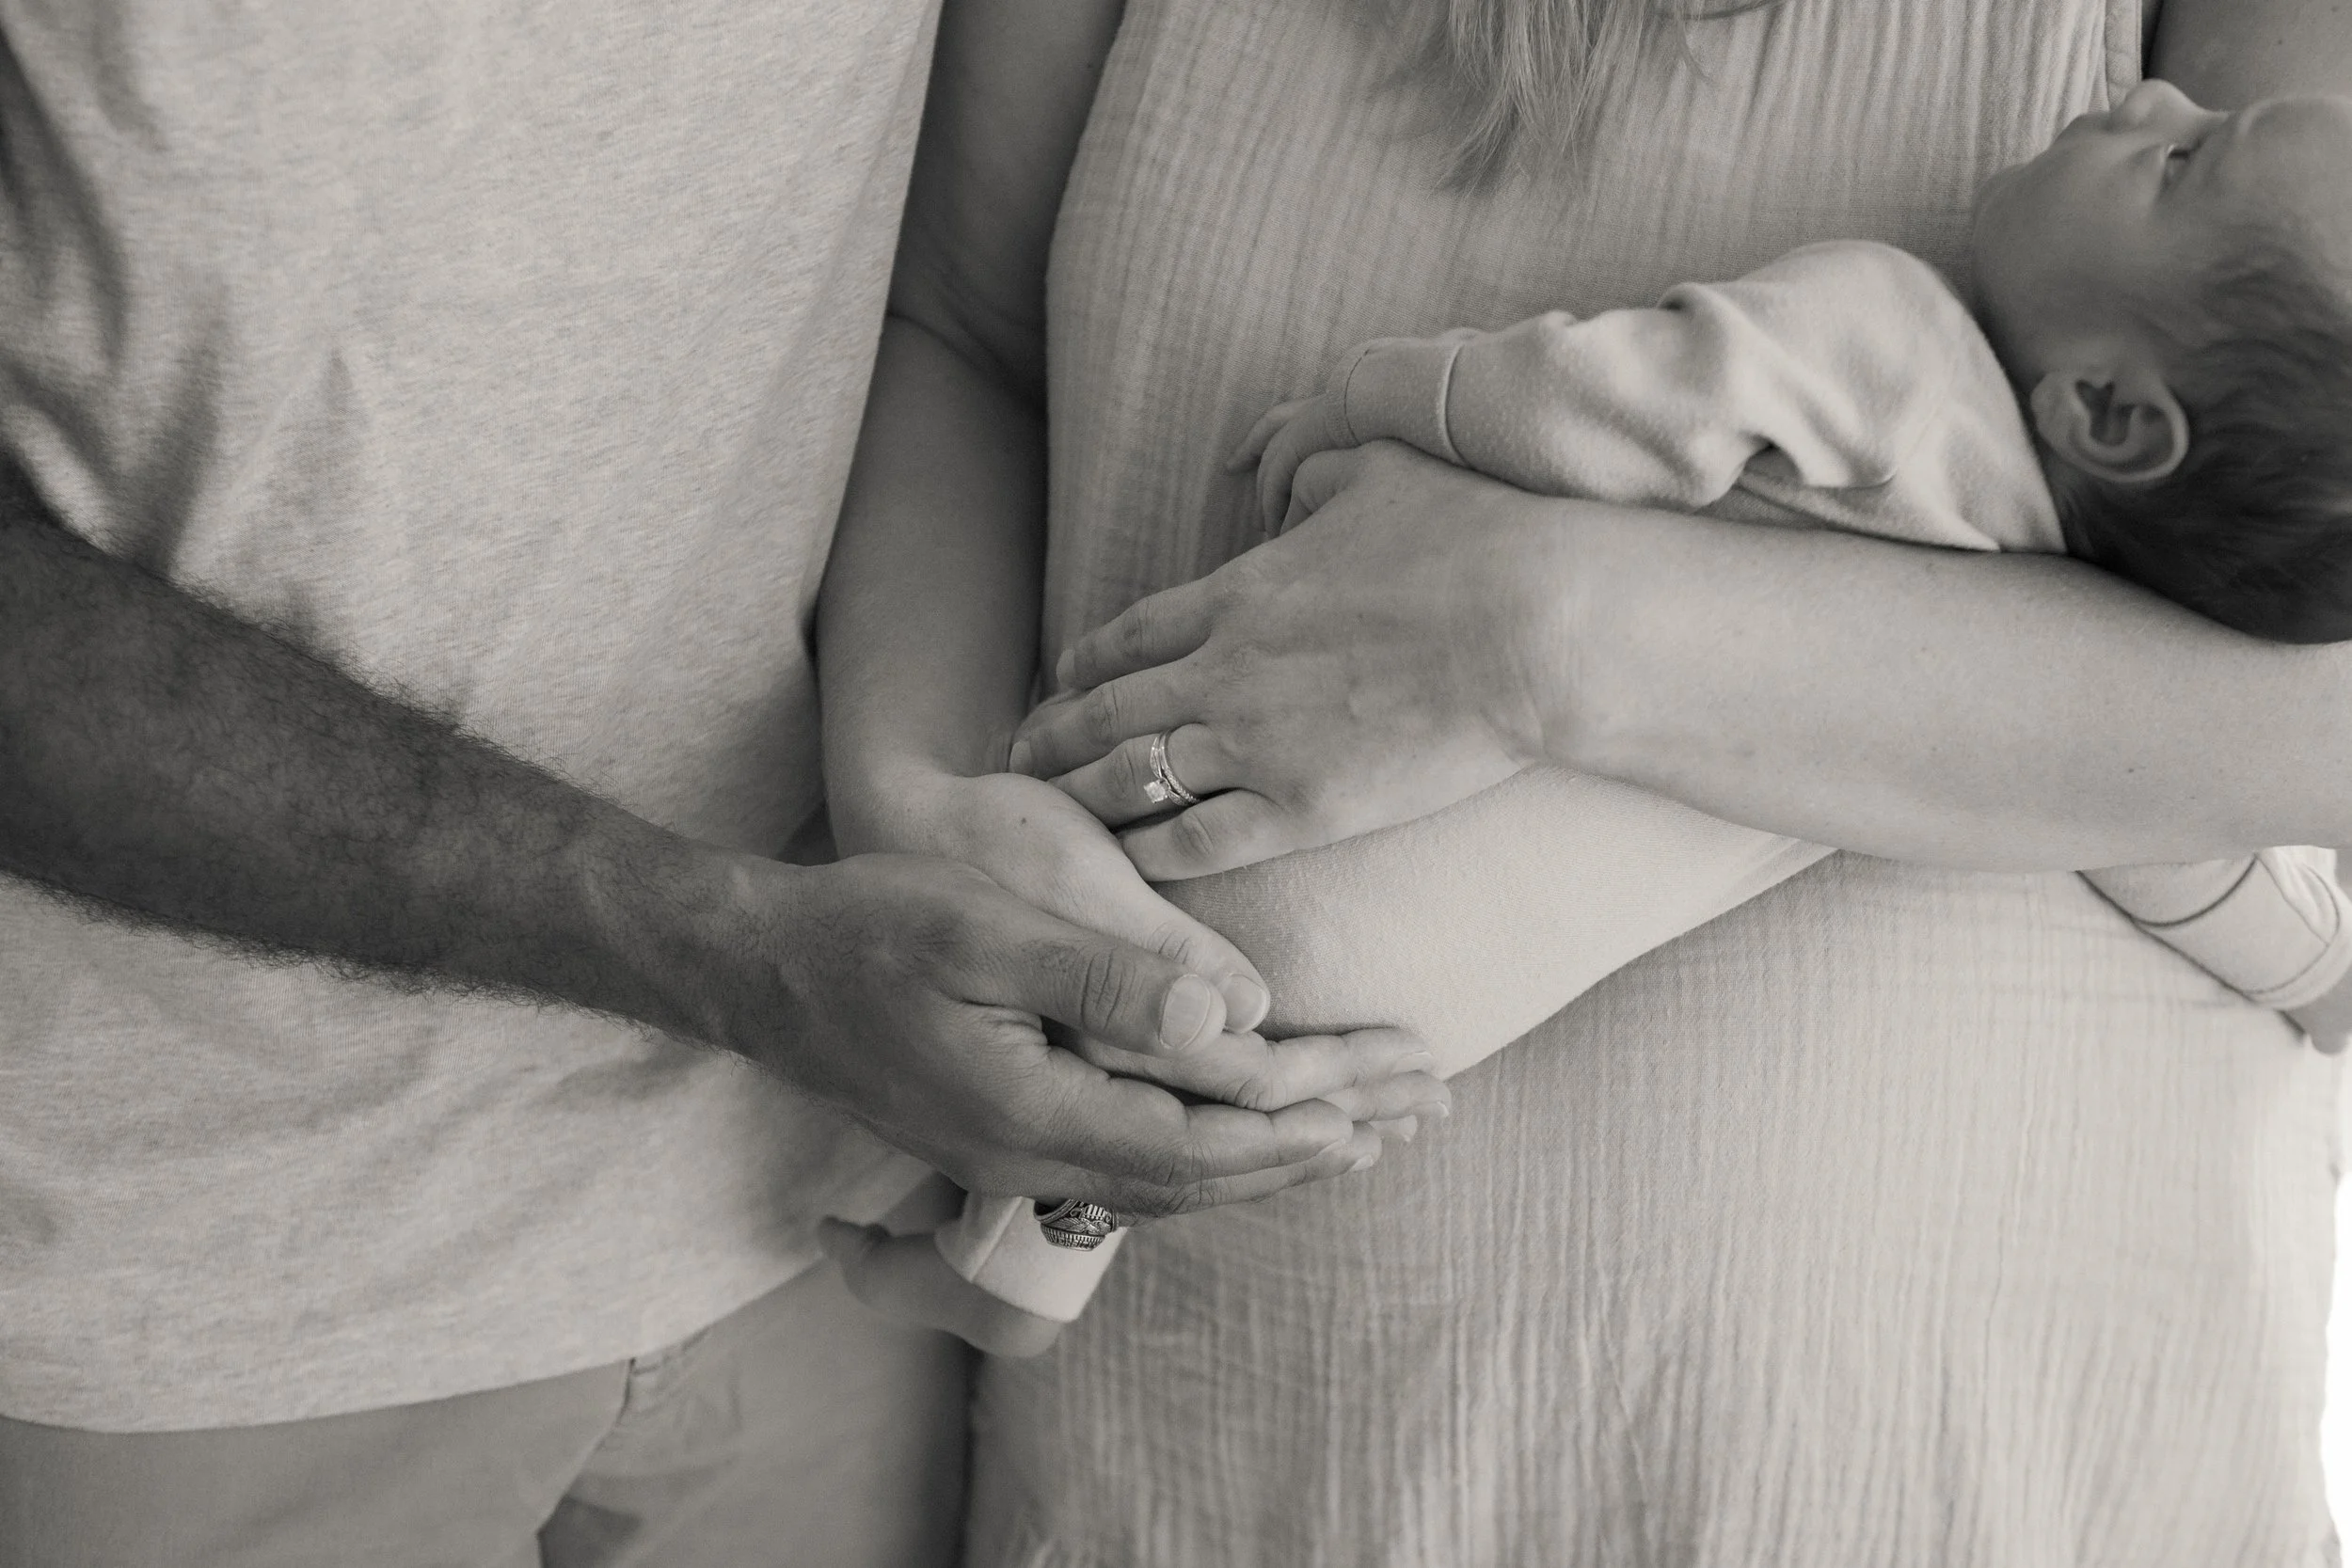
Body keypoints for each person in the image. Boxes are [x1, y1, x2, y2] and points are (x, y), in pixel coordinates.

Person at [822, 0, 2347, 1560]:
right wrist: (908, 811)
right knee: (1140, 1044)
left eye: (2182, 160)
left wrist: (1422, 465)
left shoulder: (1893, 341)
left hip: (1965, 1453)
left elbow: (1604, 397)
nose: (2151, 105)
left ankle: (1009, 1259)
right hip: (1283, 1376)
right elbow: (2218, 866)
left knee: (1154, 1024)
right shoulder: (2060, 548)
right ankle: (1017, 1243)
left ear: (2116, 415)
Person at [0, 5, 1442, 1564]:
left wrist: (916, 807)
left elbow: (953, 315)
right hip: (171, 1296)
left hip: (821, 1219)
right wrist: (729, 946)